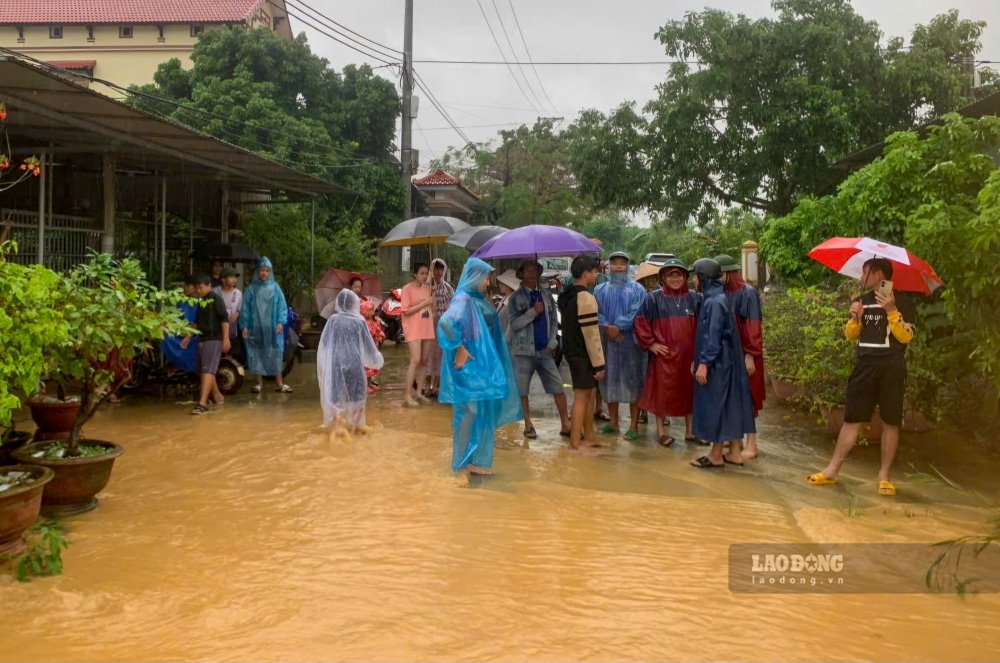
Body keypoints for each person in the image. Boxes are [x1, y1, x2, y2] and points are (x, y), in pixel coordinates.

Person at [807, 258, 915, 496]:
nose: (862, 276)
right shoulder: (862, 301)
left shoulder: (903, 301)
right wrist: (855, 318)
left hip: (891, 367)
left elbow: (906, 336)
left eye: (865, 271)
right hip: (865, 365)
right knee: (852, 417)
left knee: (890, 420)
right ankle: (832, 470)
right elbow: (850, 335)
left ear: (878, 274)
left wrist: (891, 311)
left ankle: (884, 476)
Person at [437, 257, 522, 475]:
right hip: (468, 367)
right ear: (474, 276)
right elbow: (446, 323)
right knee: (469, 412)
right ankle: (460, 465)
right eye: (485, 278)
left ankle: (476, 461)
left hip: (479, 367)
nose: (488, 283)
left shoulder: (477, 299)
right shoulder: (464, 300)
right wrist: (459, 347)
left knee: (479, 411)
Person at [689, 258, 755, 469]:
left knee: (716, 405)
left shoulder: (714, 302)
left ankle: (716, 454)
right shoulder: (717, 297)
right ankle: (735, 452)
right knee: (729, 405)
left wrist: (704, 363)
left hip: (719, 364)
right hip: (727, 361)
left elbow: (714, 335)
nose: (693, 280)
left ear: (703, 277)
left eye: (695, 275)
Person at [634, 259, 701, 446]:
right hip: (664, 357)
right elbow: (640, 322)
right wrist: (651, 344)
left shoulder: (695, 299)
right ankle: (661, 432)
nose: (675, 279)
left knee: (690, 393)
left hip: (689, 357)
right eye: (670, 275)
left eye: (678, 274)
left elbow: (704, 327)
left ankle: (690, 431)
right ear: (663, 277)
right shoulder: (653, 299)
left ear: (685, 277)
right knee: (661, 393)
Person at [507, 259, 572, 439]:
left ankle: (565, 424)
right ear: (521, 274)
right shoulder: (515, 298)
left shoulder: (546, 294)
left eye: (534, 270)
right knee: (522, 390)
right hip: (522, 352)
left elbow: (553, 321)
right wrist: (533, 312)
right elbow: (514, 324)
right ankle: (528, 424)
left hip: (545, 351)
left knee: (558, 386)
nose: (531, 274)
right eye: (527, 271)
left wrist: (552, 344)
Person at [715, 254, 766, 460]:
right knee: (734, 397)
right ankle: (735, 440)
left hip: (745, 354)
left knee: (748, 396)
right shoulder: (723, 293)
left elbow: (753, 326)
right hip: (730, 354)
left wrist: (751, 355)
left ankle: (752, 443)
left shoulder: (747, 293)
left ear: (729, 273)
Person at [594, 251, 648, 440]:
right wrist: (608, 328)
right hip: (607, 344)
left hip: (631, 344)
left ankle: (634, 424)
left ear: (627, 266)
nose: (618, 267)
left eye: (622, 263)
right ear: (609, 266)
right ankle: (613, 422)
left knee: (634, 382)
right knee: (609, 381)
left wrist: (618, 326)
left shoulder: (637, 290)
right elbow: (596, 312)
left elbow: (637, 312)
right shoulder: (599, 290)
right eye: (615, 263)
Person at [317, 289, 385, 437]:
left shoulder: (332, 321)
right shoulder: (359, 321)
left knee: (336, 399)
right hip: (355, 367)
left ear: (339, 303)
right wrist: (377, 361)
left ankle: (338, 427)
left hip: (335, 366)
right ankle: (356, 428)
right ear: (355, 304)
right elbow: (369, 348)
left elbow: (324, 347)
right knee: (357, 398)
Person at [558, 255, 607, 451]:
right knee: (581, 397)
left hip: (572, 351)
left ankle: (590, 436)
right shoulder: (585, 297)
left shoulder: (567, 294)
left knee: (591, 393)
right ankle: (575, 444)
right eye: (595, 271)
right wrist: (599, 364)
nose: (596, 274)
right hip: (582, 354)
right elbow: (592, 335)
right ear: (586, 273)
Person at [239, 257, 292, 394]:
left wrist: (281, 322)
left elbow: (282, 306)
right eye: (262, 270)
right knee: (256, 353)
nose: (264, 273)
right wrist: (244, 325)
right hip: (255, 327)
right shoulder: (251, 289)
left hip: (273, 328)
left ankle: (279, 383)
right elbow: (245, 308)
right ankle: (258, 383)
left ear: (270, 272)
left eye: (267, 270)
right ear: (258, 271)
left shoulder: (275, 288)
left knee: (276, 354)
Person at [182, 274, 231, 415]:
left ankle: (202, 403)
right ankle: (217, 396)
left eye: (201, 288)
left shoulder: (216, 299)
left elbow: (224, 319)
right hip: (202, 338)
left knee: (207, 370)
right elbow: (196, 322)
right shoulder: (200, 301)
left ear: (209, 286)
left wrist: (226, 338)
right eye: (197, 288)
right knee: (205, 369)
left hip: (214, 339)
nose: (198, 291)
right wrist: (188, 336)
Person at [400, 262, 436, 406]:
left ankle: (419, 393)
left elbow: (432, 309)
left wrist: (432, 297)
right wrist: (424, 302)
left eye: (426, 273)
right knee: (415, 360)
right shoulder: (407, 289)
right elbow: (406, 311)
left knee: (424, 360)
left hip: (426, 326)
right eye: (421, 273)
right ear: (415, 274)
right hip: (413, 327)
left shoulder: (428, 289)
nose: (424, 276)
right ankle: (407, 396)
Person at [424, 258, 455, 399]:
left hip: (442, 326)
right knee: (427, 355)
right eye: (436, 268)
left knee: (439, 355)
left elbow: (453, 307)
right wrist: (432, 293)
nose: (439, 272)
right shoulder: (426, 286)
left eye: (441, 269)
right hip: (427, 325)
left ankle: (436, 386)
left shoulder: (448, 288)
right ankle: (426, 386)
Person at [162, 276, 200, 374]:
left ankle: (183, 366)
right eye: (185, 286)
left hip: (193, 333)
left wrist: (188, 335)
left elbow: (197, 322)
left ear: (195, 287)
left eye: (188, 286)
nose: (185, 288)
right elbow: (173, 315)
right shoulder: (181, 301)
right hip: (180, 330)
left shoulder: (201, 303)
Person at [213, 267, 242, 347]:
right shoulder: (215, 292)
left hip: (232, 331)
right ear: (223, 279)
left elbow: (240, 309)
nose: (234, 280)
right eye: (231, 277)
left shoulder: (238, 293)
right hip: (217, 331)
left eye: (235, 277)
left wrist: (237, 313)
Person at [360, 299, 385, 393]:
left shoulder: (373, 322)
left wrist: (380, 336)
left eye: (372, 310)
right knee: (366, 367)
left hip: (373, 349)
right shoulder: (361, 323)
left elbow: (379, 330)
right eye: (369, 310)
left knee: (371, 366)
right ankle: (365, 385)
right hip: (365, 349)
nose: (371, 313)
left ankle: (370, 383)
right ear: (363, 311)